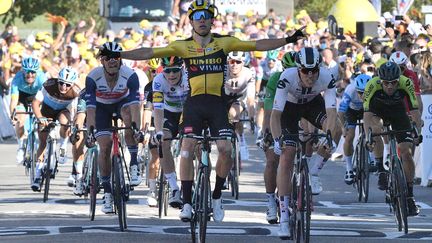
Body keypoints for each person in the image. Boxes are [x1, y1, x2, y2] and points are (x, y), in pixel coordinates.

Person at [99, 0, 305, 222]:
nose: (203, 20)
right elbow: (149, 52)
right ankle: (186, 202)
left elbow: (257, 44)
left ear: (212, 20)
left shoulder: (224, 42)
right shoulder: (182, 46)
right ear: (191, 21)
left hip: (217, 103)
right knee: (187, 149)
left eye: (207, 16)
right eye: (198, 17)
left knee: (226, 149)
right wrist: (123, 55)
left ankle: (216, 196)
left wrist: (288, 40)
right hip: (194, 104)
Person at [270, 47, 340, 238]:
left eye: (314, 71)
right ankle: (284, 218)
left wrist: (328, 136)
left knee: (337, 129)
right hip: (289, 109)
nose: (310, 75)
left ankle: (314, 172)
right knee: (287, 155)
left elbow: (331, 113)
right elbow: (275, 115)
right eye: (305, 71)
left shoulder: (327, 77)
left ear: (319, 69)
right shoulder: (287, 76)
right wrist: (277, 140)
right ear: (298, 69)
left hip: (312, 104)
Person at [84, 42, 141, 213]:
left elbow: (135, 105)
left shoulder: (130, 75)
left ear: (120, 59)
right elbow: (91, 108)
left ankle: (133, 161)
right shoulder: (92, 77)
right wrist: (90, 130)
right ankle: (107, 191)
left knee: (129, 117)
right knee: (105, 145)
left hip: (121, 104)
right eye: (108, 58)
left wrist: (136, 129)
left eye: (116, 57)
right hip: (101, 108)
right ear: (102, 60)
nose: (112, 61)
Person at [363, 61, 422, 216]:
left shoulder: (406, 82)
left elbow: (415, 111)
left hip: (398, 113)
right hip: (378, 112)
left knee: (406, 153)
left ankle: (409, 196)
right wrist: (368, 137)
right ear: (380, 80)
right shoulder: (372, 85)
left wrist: (418, 132)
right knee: (376, 129)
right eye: (386, 83)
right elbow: (367, 115)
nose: (390, 86)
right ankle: (381, 169)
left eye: (394, 83)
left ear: (399, 79)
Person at [31, 67, 81, 191]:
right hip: (47, 111)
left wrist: (73, 125)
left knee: (65, 121)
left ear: (72, 84)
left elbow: (74, 112)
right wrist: (40, 117)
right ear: (57, 80)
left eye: (67, 84)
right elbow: (35, 103)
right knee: (42, 141)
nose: (63, 86)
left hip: (62, 111)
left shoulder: (76, 92)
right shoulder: (49, 85)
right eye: (61, 83)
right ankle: (37, 174)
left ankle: (63, 145)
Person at [261, 51, 297, 224]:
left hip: (297, 117)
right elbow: (269, 111)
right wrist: (266, 133)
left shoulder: (305, 78)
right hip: (277, 117)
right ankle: (270, 202)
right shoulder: (276, 79)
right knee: (272, 160)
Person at [152, 56, 188, 209]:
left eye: (175, 71)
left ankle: (197, 180)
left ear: (182, 69)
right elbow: (158, 108)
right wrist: (159, 131)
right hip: (169, 113)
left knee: (197, 145)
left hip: (188, 112)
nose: (171, 75)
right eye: (167, 71)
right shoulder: (158, 81)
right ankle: (174, 188)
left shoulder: (189, 78)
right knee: (163, 142)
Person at [338, 74, 376, 185]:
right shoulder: (350, 89)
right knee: (350, 137)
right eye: (360, 92)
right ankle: (349, 169)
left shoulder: (373, 89)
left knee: (372, 130)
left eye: (365, 93)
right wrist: (343, 128)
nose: (362, 95)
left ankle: (372, 159)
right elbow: (340, 113)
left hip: (366, 109)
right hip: (351, 111)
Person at [10, 57, 46, 164]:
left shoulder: (42, 78)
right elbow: (14, 101)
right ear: (22, 70)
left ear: (37, 71)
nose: (30, 75)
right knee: (20, 121)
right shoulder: (17, 80)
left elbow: (46, 98)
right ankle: (21, 146)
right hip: (22, 98)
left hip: (37, 97)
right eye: (27, 71)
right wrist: (13, 115)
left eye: (32, 72)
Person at [224, 51, 256, 159]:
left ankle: (241, 139)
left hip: (240, 97)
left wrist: (252, 118)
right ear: (228, 62)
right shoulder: (223, 71)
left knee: (233, 114)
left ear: (243, 63)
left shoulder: (249, 74)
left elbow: (251, 99)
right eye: (232, 61)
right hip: (223, 97)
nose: (234, 65)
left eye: (238, 62)